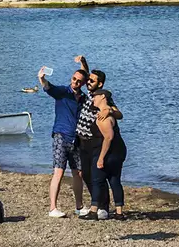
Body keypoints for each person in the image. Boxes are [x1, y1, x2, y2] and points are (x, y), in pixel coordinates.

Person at [38, 61, 89, 218]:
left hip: (76, 139)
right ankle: (53, 208)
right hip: (61, 135)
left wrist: (83, 63)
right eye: (74, 79)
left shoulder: (83, 98)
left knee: (78, 173)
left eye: (79, 81)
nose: (75, 82)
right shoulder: (63, 92)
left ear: (83, 83)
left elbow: (86, 75)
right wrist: (42, 79)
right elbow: (48, 87)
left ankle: (79, 206)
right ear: (71, 78)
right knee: (58, 172)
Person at [89, 89, 128, 219]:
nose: (93, 98)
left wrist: (101, 158)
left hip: (110, 152)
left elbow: (109, 137)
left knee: (97, 180)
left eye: (95, 96)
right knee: (115, 180)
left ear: (103, 97)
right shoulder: (110, 111)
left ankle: (93, 211)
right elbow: (119, 115)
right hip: (119, 151)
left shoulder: (102, 117)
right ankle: (119, 212)